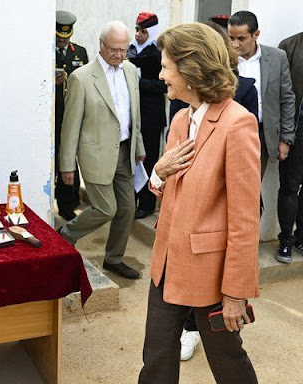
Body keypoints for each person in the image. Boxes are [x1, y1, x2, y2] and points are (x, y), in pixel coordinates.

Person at [138, 23, 260, 384]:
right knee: (156, 358)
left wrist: (235, 293)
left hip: (211, 273)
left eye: (165, 67)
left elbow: (244, 219)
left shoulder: (238, 125)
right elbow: (170, 187)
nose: (160, 75)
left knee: (228, 362)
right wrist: (158, 173)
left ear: (190, 70)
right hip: (166, 263)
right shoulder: (180, 118)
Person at [58, 21, 145, 279]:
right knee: (106, 208)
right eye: (114, 49)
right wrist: (67, 165)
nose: (119, 55)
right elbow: (70, 125)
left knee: (128, 209)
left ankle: (113, 258)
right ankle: (66, 234)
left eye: (124, 49)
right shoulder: (81, 77)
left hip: (126, 152)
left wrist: (138, 146)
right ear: (101, 45)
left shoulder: (130, 70)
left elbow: (133, 114)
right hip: (95, 154)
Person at [228, 11, 296, 253]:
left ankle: (244, 246)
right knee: (231, 189)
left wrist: (285, 138)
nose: (235, 44)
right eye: (231, 38)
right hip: (227, 134)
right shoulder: (225, 58)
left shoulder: (276, 57)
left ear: (256, 34)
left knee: (248, 189)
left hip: (261, 134)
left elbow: (287, 99)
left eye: (241, 38)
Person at [127, 12, 166, 220]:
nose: (138, 35)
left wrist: (139, 82)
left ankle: (147, 203)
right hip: (131, 113)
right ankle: (129, 200)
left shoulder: (159, 53)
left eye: (143, 31)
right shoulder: (131, 50)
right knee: (131, 159)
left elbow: (164, 86)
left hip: (151, 116)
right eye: (136, 30)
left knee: (148, 160)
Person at [55, 10, 89, 221]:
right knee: (56, 161)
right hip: (52, 118)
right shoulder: (44, 51)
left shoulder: (81, 52)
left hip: (73, 115)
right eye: (59, 38)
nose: (62, 41)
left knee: (69, 160)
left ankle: (69, 205)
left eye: (66, 38)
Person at [276, 31, 303, 263]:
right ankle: (285, 240)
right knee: (290, 187)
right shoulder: (289, 45)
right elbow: (282, 93)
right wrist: (285, 135)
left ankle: (301, 237)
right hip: (295, 128)